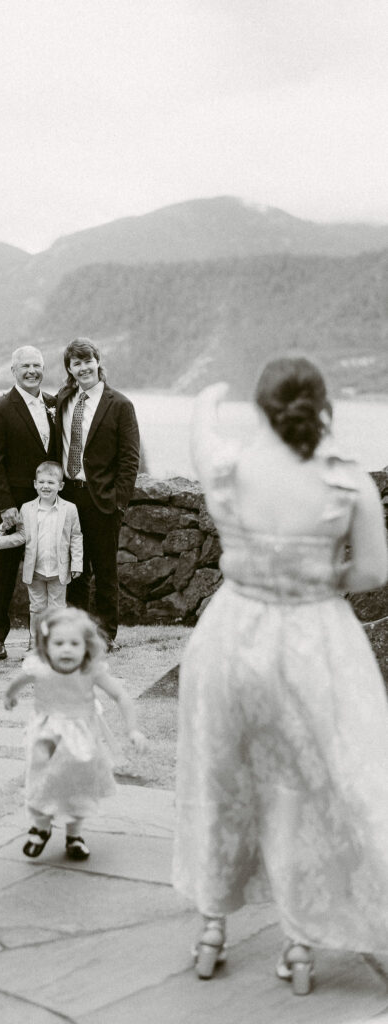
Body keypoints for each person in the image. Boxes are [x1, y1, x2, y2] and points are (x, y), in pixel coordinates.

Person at [173, 356, 388, 996]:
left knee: (221, 777)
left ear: (262, 408)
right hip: (314, 641)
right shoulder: (347, 483)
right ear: (322, 407)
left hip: (232, 637)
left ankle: (212, 928)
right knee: (310, 788)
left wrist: (209, 396)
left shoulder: (227, 468)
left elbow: (203, 420)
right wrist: (320, 581)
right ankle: (299, 941)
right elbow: (374, 572)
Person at [3, 606, 146, 861]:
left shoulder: (91, 669)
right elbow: (18, 681)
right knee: (42, 775)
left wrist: (133, 729)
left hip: (81, 735)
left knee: (79, 783)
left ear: (86, 646)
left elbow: (120, 695)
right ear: (46, 646)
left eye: (74, 643)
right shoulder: (41, 666)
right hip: (48, 731)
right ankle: (41, 826)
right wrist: (9, 696)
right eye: (59, 643)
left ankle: (74, 834)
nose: (66, 649)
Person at [55, 338, 140, 651]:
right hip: (68, 497)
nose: (83, 367)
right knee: (75, 569)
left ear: (97, 362)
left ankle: (105, 634)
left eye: (87, 361)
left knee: (105, 571)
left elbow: (130, 459)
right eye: (76, 363)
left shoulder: (120, 405)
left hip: (102, 499)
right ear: (69, 369)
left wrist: (119, 501)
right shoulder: (63, 399)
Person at [0, 345, 56, 660]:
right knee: (3, 574)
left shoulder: (55, 404)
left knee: (47, 572)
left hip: (48, 505)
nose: (31, 371)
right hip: (13, 507)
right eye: (24, 365)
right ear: (13, 370)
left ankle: (40, 639)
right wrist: (5, 505)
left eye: (36, 365)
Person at [0, 461, 83, 647]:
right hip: (35, 570)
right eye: (41, 482)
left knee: (57, 609)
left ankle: (56, 643)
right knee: (37, 608)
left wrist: (77, 563)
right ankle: (35, 643)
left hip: (59, 569)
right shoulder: (27, 508)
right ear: (34, 484)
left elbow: (76, 537)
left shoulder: (70, 509)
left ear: (61, 486)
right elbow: (21, 536)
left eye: (51, 482)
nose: (45, 486)